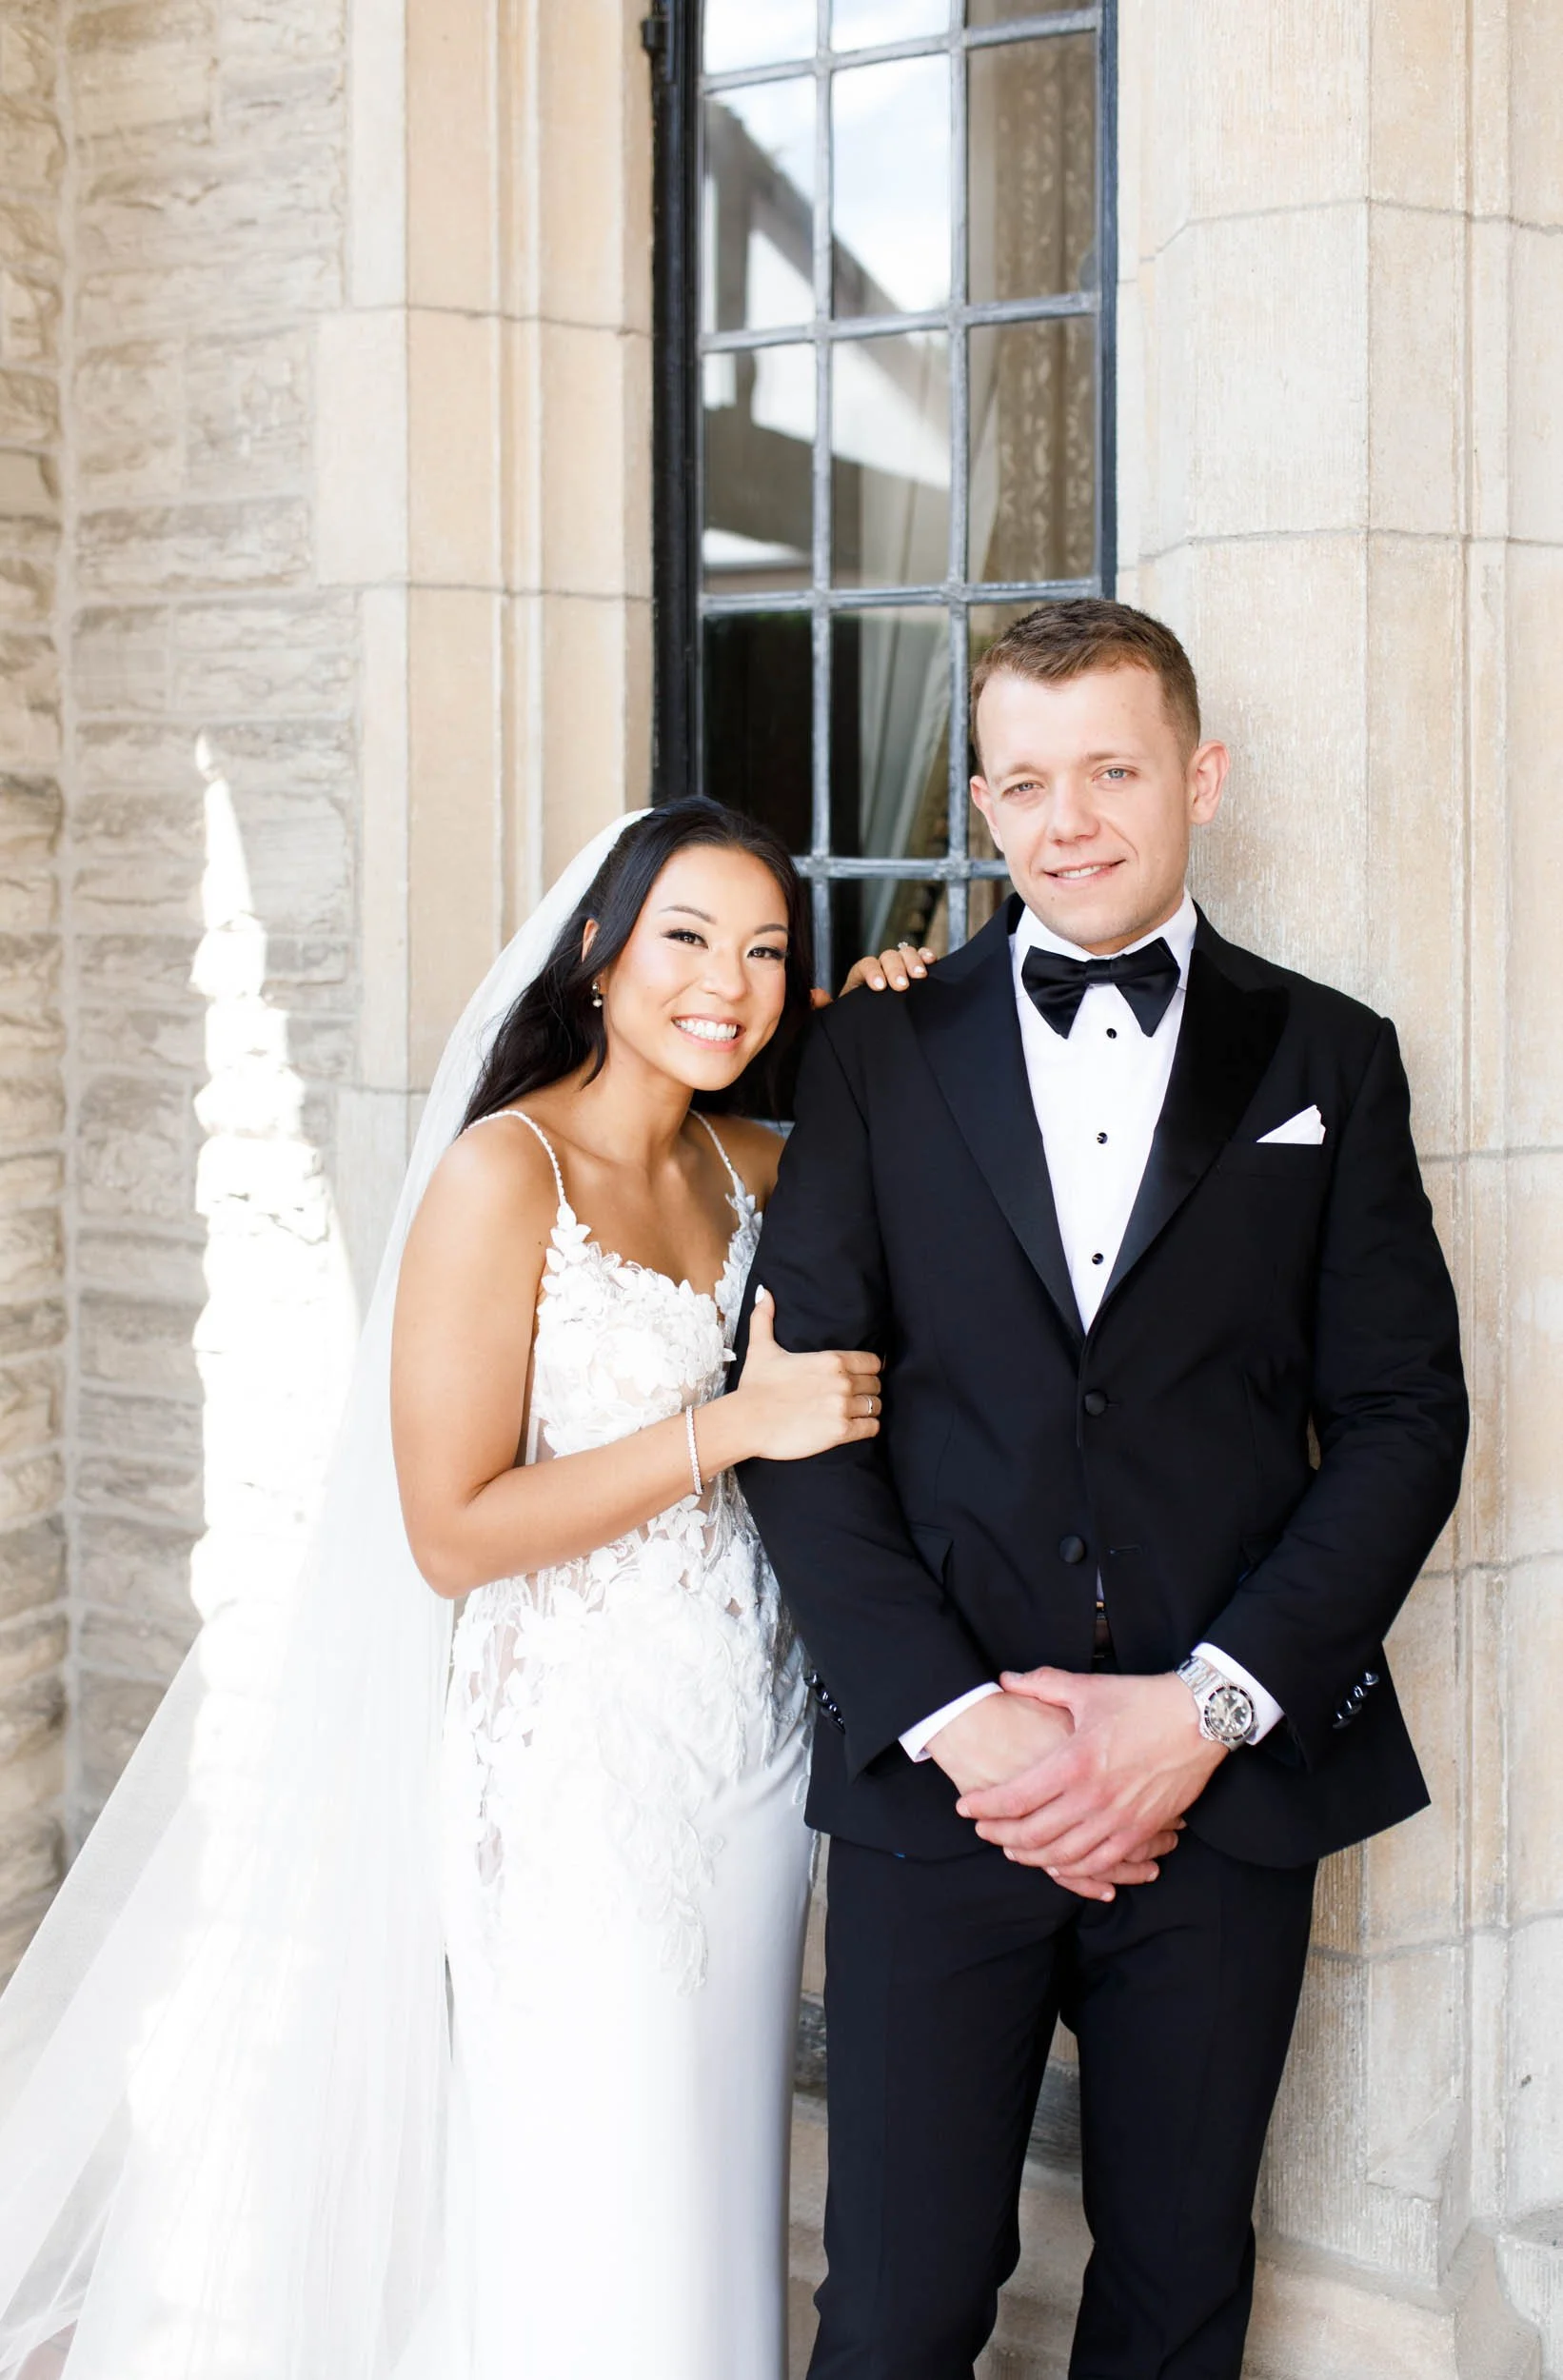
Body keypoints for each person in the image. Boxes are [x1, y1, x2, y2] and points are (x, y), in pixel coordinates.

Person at [0, 797, 921, 2380]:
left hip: (749, 1752)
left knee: (714, 2166)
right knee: (591, 2177)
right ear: (596, 953)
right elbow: (452, 1529)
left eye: (768, 950)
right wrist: (731, 1426)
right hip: (572, 1765)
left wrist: (916, 1004)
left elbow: (932, 1142)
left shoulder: (757, 1155)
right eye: (686, 937)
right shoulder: (508, 1175)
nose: (730, 980)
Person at [735, 599, 1470, 2380]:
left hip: (1216, 1793)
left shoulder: (1328, 1059)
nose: (1069, 819)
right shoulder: (866, 1054)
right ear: (982, 805)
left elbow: (1402, 1419)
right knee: (898, 2303)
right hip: (937, 1798)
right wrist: (959, 1721)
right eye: (1025, 781)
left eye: (1112, 770)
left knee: (1172, 2295)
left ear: (1197, 777)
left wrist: (1202, 1712)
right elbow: (791, 1418)